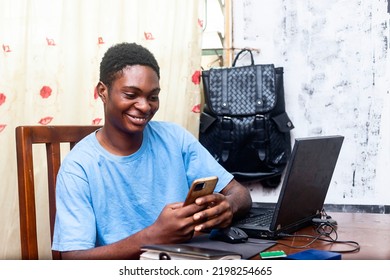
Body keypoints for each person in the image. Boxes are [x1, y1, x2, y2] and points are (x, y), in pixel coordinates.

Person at [52, 42, 252, 259]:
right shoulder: (78, 167)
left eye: (153, 96)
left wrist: (227, 207)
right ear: (103, 91)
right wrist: (153, 236)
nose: (145, 106)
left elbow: (240, 193)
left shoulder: (175, 138)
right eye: (130, 94)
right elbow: (73, 259)